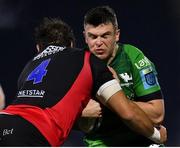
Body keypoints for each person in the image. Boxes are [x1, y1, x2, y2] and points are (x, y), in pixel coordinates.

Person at [0, 17, 166, 146]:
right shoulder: (87, 59)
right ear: (72, 44)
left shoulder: (28, 68)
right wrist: (156, 135)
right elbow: (128, 112)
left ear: (38, 48)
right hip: (32, 133)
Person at [80, 5, 166, 146]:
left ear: (117, 35)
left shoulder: (134, 57)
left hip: (142, 138)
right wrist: (79, 112)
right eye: (93, 37)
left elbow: (157, 115)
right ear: (85, 37)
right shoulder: (78, 63)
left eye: (105, 35)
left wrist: (115, 96)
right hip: (101, 142)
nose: (99, 43)